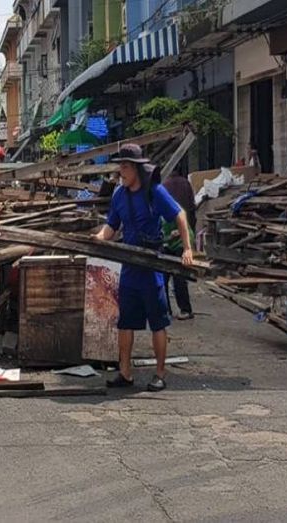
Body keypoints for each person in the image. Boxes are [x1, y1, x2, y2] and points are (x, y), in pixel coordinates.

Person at [93, 143, 193, 392]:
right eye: (120, 168)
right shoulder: (118, 195)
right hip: (129, 267)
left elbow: (179, 215)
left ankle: (159, 374)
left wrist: (187, 248)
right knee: (125, 322)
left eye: (125, 167)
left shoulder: (154, 192)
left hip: (151, 267)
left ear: (137, 169)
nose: (121, 173)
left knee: (158, 322)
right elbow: (111, 227)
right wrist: (98, 239)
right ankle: (125, 373)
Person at [162, 167, 196, 320]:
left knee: (175, 276)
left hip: (180, 240)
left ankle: (180, 310)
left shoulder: (164, 188)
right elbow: (192, 207)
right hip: (175, 240)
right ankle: (171, 309)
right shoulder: (185, 184)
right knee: (171, 277)